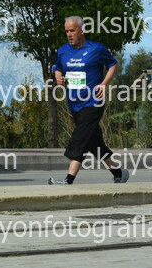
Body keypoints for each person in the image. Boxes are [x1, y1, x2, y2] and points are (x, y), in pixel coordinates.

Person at [48, 16, 129, 185]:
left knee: (81, 138)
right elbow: (58, 67)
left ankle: (68, 180)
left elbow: (112, 64)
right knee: (94, 142)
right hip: (74, 103)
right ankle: (118, 172)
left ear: (82, 31)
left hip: (93, 102)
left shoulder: (96, 48)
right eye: (67, 31)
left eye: (72, 31)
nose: (69, 34)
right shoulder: (63, 50)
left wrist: (104, 84)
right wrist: (58, 77)